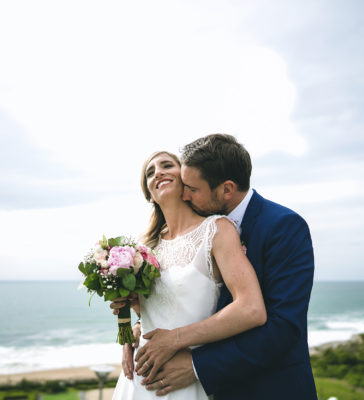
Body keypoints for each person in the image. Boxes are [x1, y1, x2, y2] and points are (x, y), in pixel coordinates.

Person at [132, 134, 317, 399]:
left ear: (226, 190)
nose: (184, 194)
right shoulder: (188, 230)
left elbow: (283, 328)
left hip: (268, 388)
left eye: (192, 189)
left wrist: (197, 365)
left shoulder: (283, 226)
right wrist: (141, 326)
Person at [111, 150, 267, 400]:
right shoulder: (145, 248)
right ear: (150, 195)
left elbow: (251, 309)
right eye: (150, 173)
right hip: (139, 378)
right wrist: (131, 327)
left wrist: (175, 340)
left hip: (182, 379)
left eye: (166, 165)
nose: (158, 172)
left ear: (184, 178)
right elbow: (156, 310)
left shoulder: (216, 230)